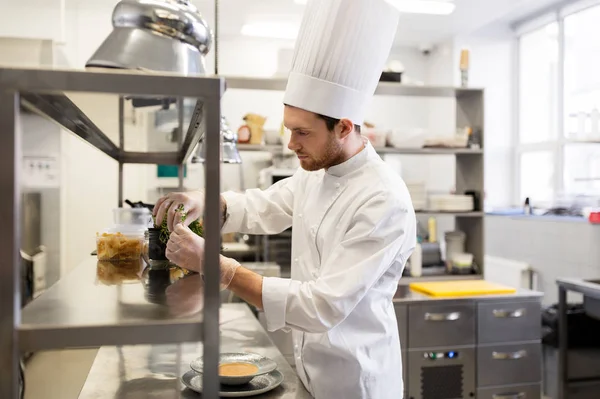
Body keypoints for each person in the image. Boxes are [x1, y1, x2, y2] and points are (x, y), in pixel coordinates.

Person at [154, 0, 415, 397]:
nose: (291, 144)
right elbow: (266, 206)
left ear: (344, 127)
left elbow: (321, 306)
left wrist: (217, 266)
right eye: (288, 129)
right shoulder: (316, 171)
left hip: (356, 382)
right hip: (311, 370)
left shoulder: (383, 200)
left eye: (303, 133)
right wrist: (207, 201)